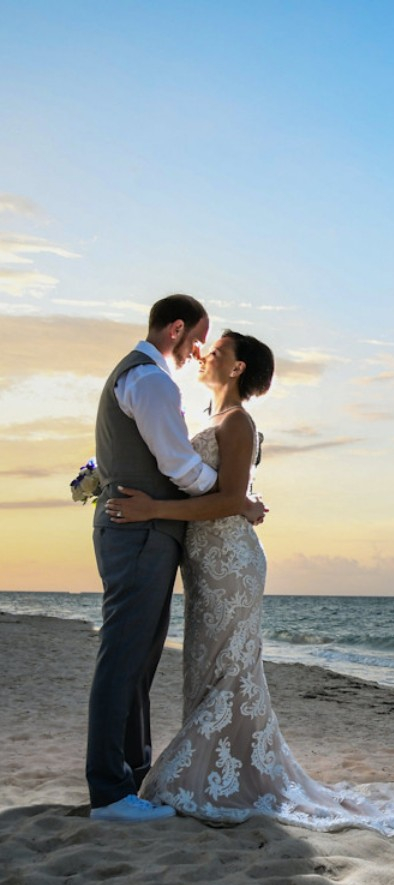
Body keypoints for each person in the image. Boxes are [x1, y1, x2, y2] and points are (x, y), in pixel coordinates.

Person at [106, 330, 394, 835]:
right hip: (206, 560)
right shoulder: (212, 420)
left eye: (218, 350)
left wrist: (154, 510)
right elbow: (226, 490)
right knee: (207, 666)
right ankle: (221, 769)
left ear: (238, 367)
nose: (205, 355)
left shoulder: (239, 421)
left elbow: (228, 499)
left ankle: (209, 777)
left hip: (231, 563)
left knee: (230, 668)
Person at [88, 297, 265, 824]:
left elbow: (160, 460)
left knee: (139, 661)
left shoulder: (148, 378)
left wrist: (234, 499)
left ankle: (129, 779)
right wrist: (236, 498)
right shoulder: (152, 380)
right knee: (125, 658)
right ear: (177, 328)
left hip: (165, 535)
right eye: (197, 340)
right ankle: (111, 792)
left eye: (210, 346)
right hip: (144, 532)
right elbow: (177, 464)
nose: (199, 351)